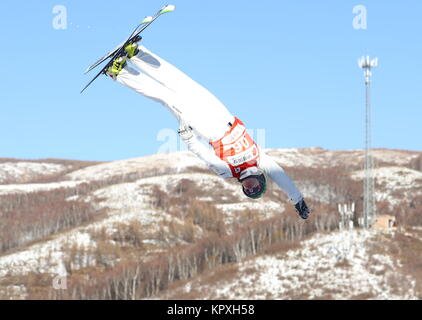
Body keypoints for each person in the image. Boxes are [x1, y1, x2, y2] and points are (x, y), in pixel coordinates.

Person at [105, 39, 311, 219]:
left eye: (247, 190)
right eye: (254, 187)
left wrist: (188, 137)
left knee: (167, 96)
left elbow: (202, 153)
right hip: (224, 115)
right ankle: (137, 53)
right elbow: (281, 176)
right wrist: (297, 200)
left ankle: (120, 71)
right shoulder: (260, 159)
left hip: (208, 128)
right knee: (183, 83)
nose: (249, 186)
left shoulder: (228, 171)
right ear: (261, 179)